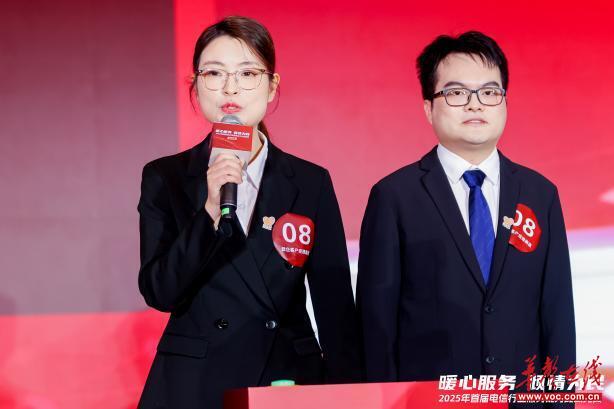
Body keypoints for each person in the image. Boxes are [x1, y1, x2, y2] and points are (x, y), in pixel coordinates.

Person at [137, 16, 361, 409]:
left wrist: (348, 393)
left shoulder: (309, 181)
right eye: (214, 73)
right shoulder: (165, 176)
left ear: (272, 86)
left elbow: (335, 304)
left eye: (247, 73)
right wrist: (209, 212)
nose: (230, 87)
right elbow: (160, 291)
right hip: (195, 382)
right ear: (195, 85)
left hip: (284, 376)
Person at [357, 31, 575, 396]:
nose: (475, 105)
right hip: (429, 401)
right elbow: (377, 326)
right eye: (457, 93)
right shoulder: (394, 197)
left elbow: (558, 316)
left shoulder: (540, 194)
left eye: (489, 92)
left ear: (505, 103)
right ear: (428, 108)